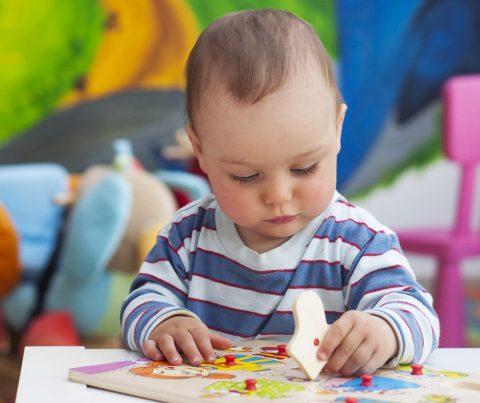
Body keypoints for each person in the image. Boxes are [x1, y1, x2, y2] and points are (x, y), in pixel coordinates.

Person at [121, 9, 439, 377]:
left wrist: (385, 331)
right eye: (246, 175)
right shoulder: (187, 236)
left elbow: (417, 314)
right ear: (200, 150)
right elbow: (139, 303)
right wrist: (164, 323)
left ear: (336, 129)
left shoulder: (358, 241)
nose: (277, 194)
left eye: (303, 169)